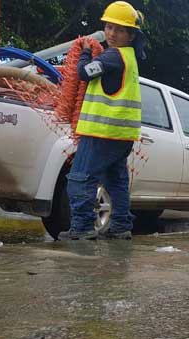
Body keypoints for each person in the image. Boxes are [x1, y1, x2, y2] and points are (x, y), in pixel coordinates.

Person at [59, 1, 146, 241]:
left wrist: (85, 51)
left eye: (119, 30)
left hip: (102, 133)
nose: (111, 33)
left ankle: (82, 227)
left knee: (80, 178)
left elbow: (84, 72)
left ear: (130, 35)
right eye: (108, 27)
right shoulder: (129, 57)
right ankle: (120, 226)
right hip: (121, 135)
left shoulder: (113, 57)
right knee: (116, 180)